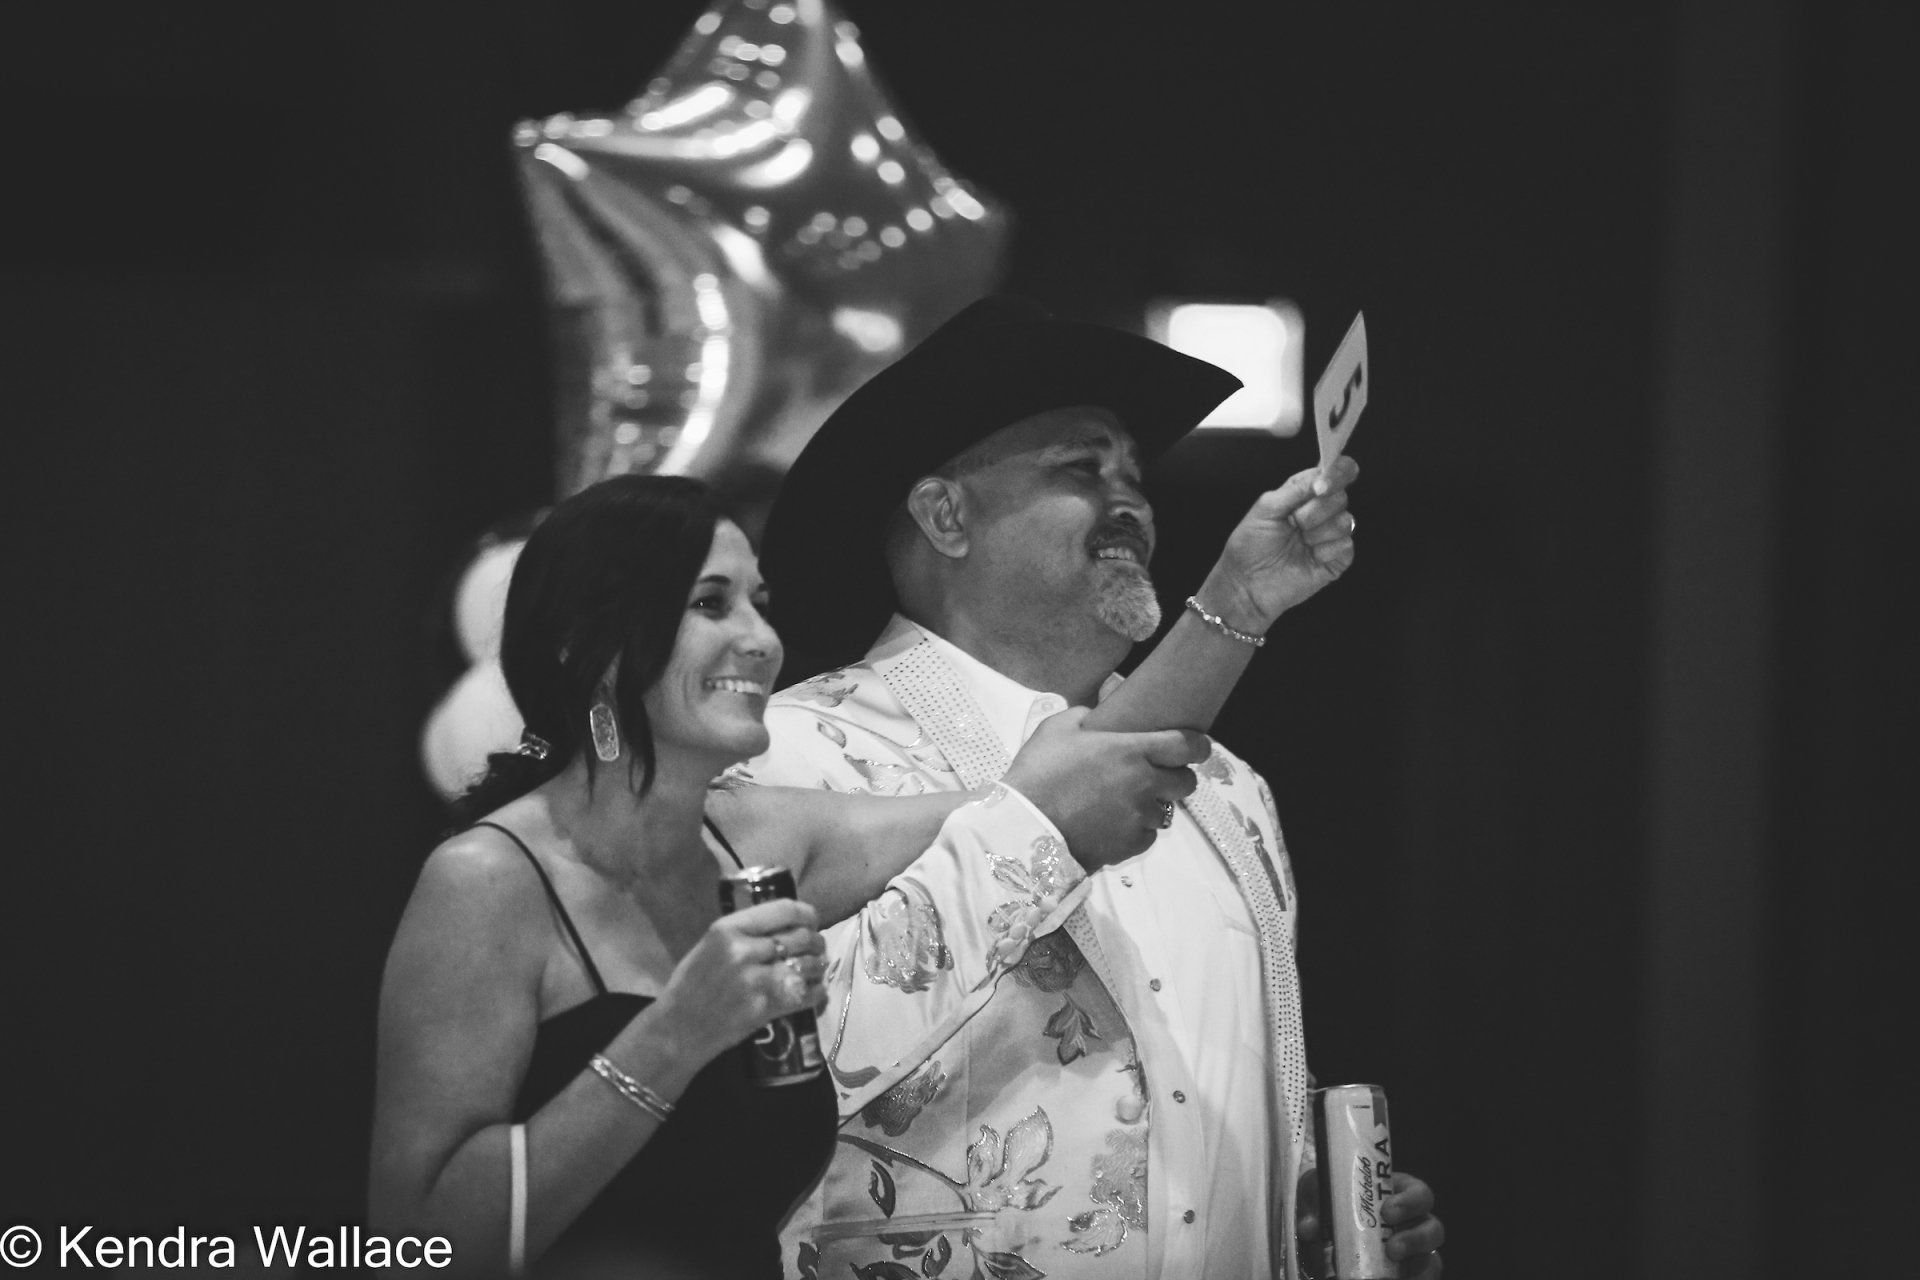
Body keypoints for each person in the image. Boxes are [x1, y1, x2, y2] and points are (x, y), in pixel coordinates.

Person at [736, 296, 1445, 1279]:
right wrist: (1032, 826)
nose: (1133, 503)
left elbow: (1200, 1079)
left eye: (1135, 476)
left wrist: (1307, 1209)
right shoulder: (792, 752)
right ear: (947, 515)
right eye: (1082, 469)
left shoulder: (1229, 787)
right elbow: (771, 1080)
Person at [369, 474, 1221, 1278]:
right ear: (589, 646)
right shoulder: (486, 881)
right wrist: (675, 1034)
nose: (763, 639)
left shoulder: (766, 838)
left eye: (759, 604)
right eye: (711, 603)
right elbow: (416, 1245)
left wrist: (1238, 606)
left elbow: (1052, 794)